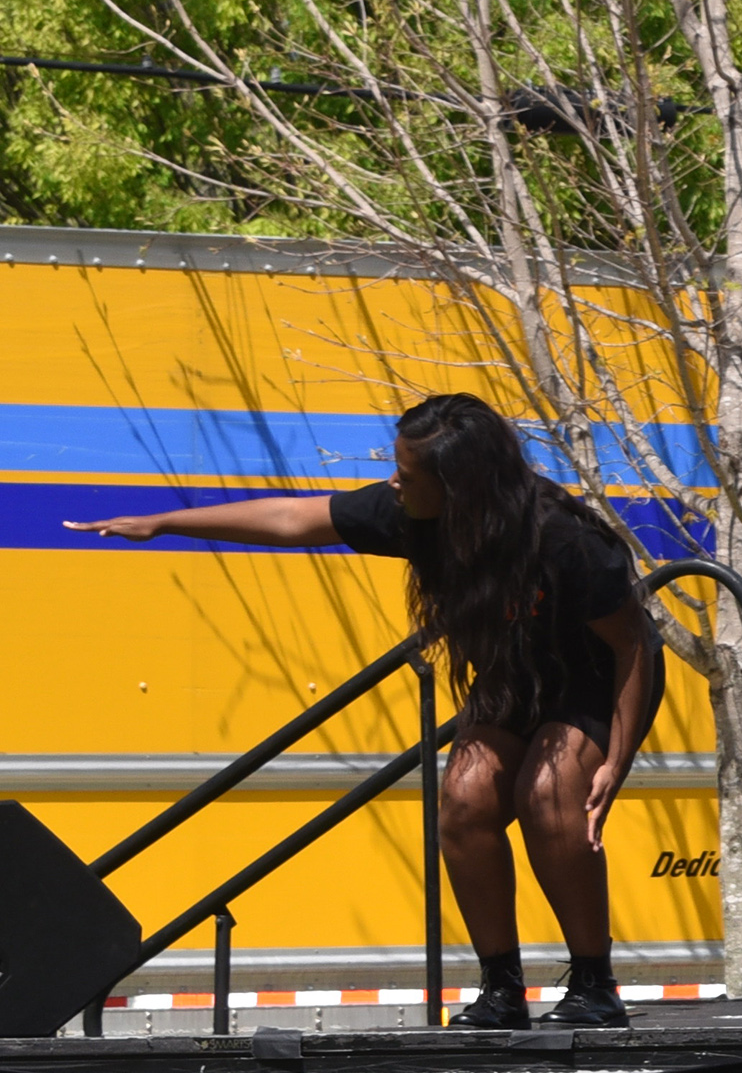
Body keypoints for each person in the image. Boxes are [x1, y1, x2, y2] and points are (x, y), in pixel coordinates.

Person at [68, 393, 662, 1027]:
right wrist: (165, 523)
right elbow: (295, 519)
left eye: (406, 474)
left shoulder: (563, 539)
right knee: (464, 799)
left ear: (458, 488)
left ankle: (595, 986)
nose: (392, 482)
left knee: (547, 795)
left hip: (598, 684)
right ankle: (501, 988)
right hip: (514, 680)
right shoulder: (414, 515)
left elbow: (633, 646)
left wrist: (614, 762)